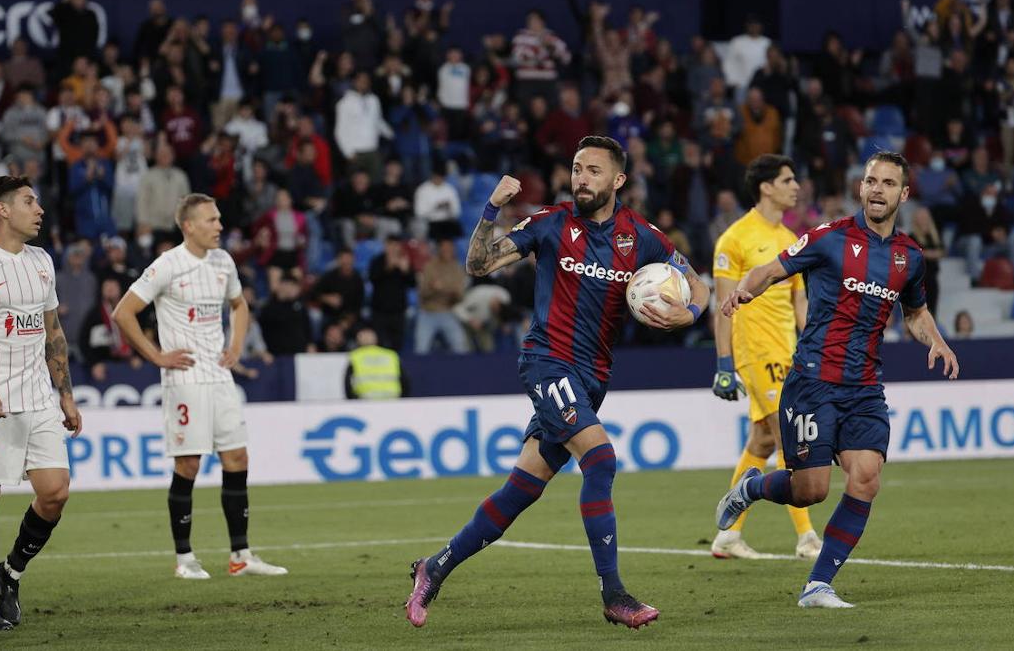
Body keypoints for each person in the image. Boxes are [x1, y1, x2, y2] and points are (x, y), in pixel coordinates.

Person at [406, 136, 710, 630]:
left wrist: (688, 313)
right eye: (576, 168)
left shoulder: (640, 235)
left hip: (592, 378)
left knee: (521, 490)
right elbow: (478, 265)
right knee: (601, 459)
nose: (581, 178)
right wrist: (491, 210)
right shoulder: (550, 223)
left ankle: (434, 567)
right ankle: (615, 595)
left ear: (618, 181)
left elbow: (695, 282)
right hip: (547, 363)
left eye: (593, 170)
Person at [715, 151, 959, 609]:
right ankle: (751, 487)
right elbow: (772, 268)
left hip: (865, 385)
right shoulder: (829, 238)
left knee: (866, 478)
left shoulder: (909, 257)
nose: (878, 189)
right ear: (861, 188)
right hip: (812, 381)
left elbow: (915, 311)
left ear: (903, 194)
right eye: (871, 181)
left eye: (888, 183)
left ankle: (818, 584)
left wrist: (936, 341)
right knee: (811, 490)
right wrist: (743, 291)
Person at [113, 193, 287, 580]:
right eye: (211, 220)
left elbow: (239, 305)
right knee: (189, 463)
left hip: (220, 375)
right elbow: (123, 312)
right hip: (185, 378)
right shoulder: (167, 266)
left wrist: (236, 344)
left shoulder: (224, 261)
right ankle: (184, 558)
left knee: (237, 458)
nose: (219, 226)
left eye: (219, 218)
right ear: (188, 226)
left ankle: (241, 555)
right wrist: (157, 356)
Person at [0, 176, 83, 632]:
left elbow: (52, 331)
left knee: (55, 490)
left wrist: (66, 394)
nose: (38, 209)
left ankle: (11, 573)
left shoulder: (42, 261)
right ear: (3, 210)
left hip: (39, 394)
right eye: (28, 201)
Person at [709, 155, 821, 560]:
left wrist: (816, 342)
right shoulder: (734, 240)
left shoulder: (790, 239)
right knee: (790, 436)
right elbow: (722, 305)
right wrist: (724, 364)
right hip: (756, 352)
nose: (796, 187)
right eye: (788, 180)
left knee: (763, 440)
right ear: (766, 187)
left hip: (787, 351)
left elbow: (799, 302)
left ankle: (727, 534)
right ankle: (807, 536)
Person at [344, 327, 409, 399]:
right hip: (392, 399)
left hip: (365, 401)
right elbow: (405, 381)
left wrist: (352, 400)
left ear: (358, 341)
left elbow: (347, 383)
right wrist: (403, 399)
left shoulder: (355, 356)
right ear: (376, 340)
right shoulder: (391, 355)